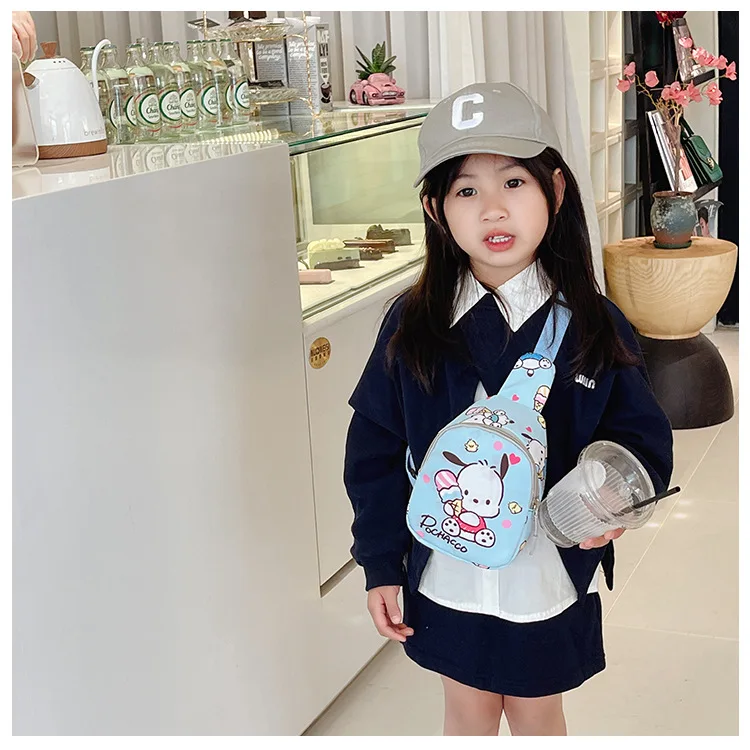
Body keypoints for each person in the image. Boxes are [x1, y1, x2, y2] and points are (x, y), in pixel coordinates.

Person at [344, 82, 673, 736]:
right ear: (436, 210)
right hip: (446, 574)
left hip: (547, 575)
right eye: (466, 191)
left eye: (514, 183)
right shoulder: (412, 325)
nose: (493, 210)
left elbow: (641, 438)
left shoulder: (593, 324)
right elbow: (374, 449)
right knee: (465, 711)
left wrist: (613, 504)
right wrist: (380, 562)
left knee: (537, 712)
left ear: (556, 191)